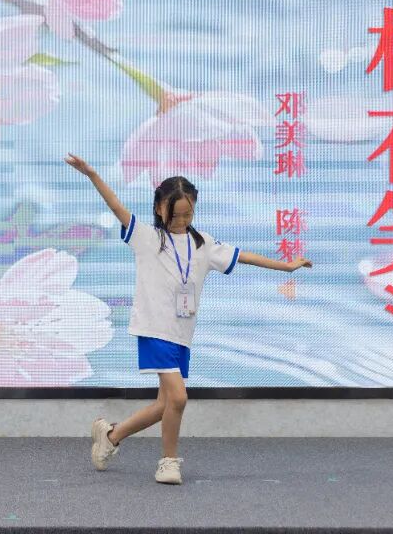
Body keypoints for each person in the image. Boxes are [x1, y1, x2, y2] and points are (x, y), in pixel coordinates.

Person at [65, 153, 312, 485]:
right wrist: (92, 174)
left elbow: (244, 256)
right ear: (159, 208)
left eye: (187, 214)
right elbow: (116, 207)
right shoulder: (146, 238)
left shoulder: (203, 244)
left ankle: (110, 436)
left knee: (164, 405)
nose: (181, 220)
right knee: (179, 398)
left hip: (182, 334)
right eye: (175, 214)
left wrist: (286, 266)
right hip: (153, 330)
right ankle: (168, 462)